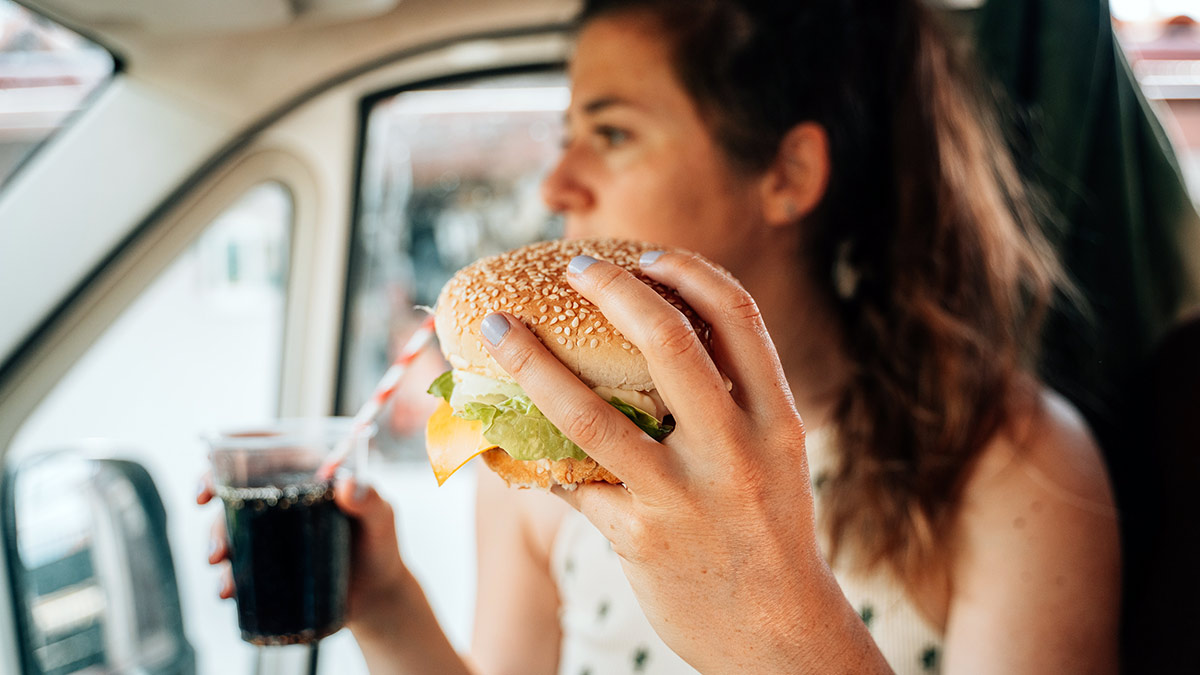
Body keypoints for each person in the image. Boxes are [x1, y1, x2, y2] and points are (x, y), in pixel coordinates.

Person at [203, 0, 1121, 672]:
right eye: (566, 134)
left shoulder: (1017, 468)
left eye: (611, 132)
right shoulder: (548, 458)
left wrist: (773, 615)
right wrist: (390, 608)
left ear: (788, 173)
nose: (557, 184)